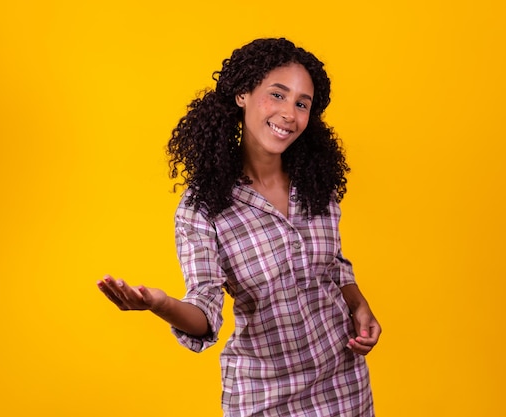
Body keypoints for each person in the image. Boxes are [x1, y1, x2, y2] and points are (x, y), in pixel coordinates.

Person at [97, 37, 381, 416]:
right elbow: (205, 314)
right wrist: (161, 305)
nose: (289, 114)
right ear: (242, 94)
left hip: (343, 384)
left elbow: (334, 266)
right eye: (277, 95)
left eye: (302, 104)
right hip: (264, 396)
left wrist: (359, 305)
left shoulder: (317, 183)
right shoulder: (204, 207)